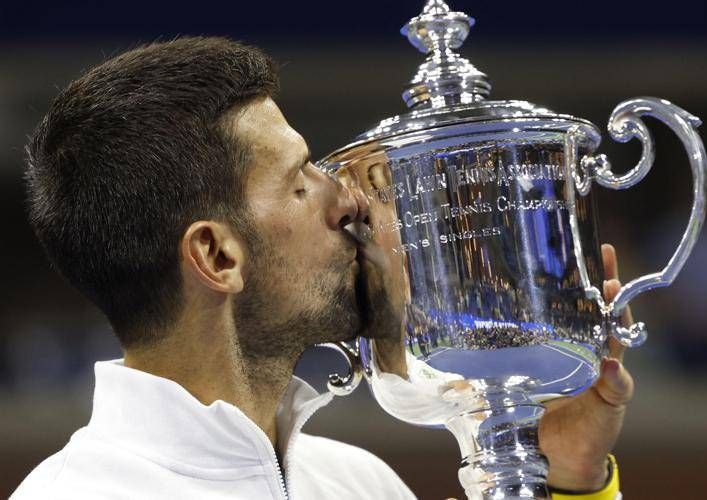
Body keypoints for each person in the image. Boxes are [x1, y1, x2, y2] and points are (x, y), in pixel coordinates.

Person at [11, 37, 634, 499]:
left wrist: (565, 476)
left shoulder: (358, 482)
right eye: (301, 181)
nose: (349, 199)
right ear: (216, 256)